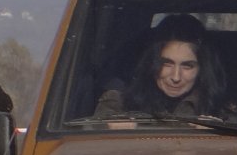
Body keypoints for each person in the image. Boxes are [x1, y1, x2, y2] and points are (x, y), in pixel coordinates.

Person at [95, 14, 225, 118]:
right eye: (166, 64)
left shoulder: (219, 110)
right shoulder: (119, 103)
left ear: (201, 69)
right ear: (152, 62)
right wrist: (113, 127)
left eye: (187, 66)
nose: (176, 77)